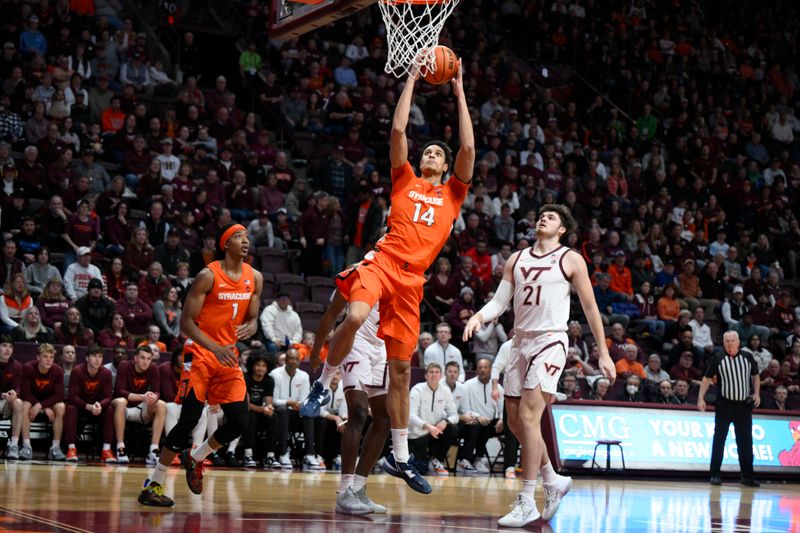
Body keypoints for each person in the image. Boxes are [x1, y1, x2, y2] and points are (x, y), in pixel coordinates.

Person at [301, 58, 475, 495]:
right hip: (383, 261)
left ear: (447, 165)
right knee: (357, 315)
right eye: (427, 152)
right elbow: (398, 132)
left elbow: (469, 151)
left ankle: (400, 458)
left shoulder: (453, 193)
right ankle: (324, 384)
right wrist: (413, 79)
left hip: (412, 281)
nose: (430, 154)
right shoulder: (405, 181)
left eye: (438, 152)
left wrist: (459, 94)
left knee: (401, 371)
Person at [463, 204, 616, 527]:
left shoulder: (570, 258)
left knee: (531, 417)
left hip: (550, 341)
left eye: (550, 217)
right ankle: (553, 479)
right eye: (540, 214)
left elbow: (590, 307)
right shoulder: (516, 259)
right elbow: (500, 302)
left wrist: (603, 352)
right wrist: (479, 315)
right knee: (517, 423)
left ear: (562, 229)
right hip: (519, 342)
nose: (542, 217)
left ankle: (526, 501)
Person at [138, 223, 262, 507]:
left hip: (227, 355)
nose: (245, 241)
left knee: (239, 421)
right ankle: (152, 485)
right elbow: (185, 324)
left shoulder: (255, 277)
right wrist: (215, 347)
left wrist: (252, 326)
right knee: (189, 420)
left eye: (246, 236)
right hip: (201, 353)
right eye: (238, 237)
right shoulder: (208, 276)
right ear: (225, 244)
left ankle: (195, 457)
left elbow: (252, 318)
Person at [308, 289, 390, 515]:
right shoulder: (357, 273)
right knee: (359, 412)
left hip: (382, 346)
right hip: (355, 341)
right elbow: (332, 314)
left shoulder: (399, 277)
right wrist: (317, 350)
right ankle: (344, 492)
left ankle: (359, 489)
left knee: (384, 418)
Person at [698, 331, 760, 487]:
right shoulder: (718, 358)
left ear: (738, 342)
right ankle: (715, 474)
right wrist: (700, 397)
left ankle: (747, 476)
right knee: (719, 440)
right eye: (726, 341)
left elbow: (755, 375)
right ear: (723, 343)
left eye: (732, 341)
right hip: (724, 405)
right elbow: (706, 378)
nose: (729, 344)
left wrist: (757, 393)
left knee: (745, 442)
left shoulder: (748, 357)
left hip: (743, 406)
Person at [270, 349, 319, 469]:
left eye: (297, 359)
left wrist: (300, 405)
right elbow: (274, 401)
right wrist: (288, 402)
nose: (294, 361)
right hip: (279, 413)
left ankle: (310, 454)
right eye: (291, 358)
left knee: (308, 413)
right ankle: (283, 453)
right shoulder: (275, 374)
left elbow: (304, 399)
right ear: (285, 360)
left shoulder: (303, 376)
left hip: (296, 414)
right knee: (283, 410)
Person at [408, 363, 459, 476]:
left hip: (435, 433)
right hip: (418, 434)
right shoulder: (417, 389)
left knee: (453, 428)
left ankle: (436, 459)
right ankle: (423, 461)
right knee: (421, 470)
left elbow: (455, 415)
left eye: (437, 372)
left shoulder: (445, 391)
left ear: (441, 376)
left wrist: (446, 421)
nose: (434, 375)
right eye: (431, 372)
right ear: (426, 376)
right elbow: (410, 415)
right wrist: (427, 426)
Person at [64, 344, 113, 462]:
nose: (97, 359)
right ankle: (71, 449)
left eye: (100, 356)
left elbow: (108, 396)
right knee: (70, 408)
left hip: (97, 409)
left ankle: (106, 450)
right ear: (87, 358)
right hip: (81, 407)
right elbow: (72, 397)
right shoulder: (77, 371)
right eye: (94, 356)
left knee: (111, 409)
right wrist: (88, 406)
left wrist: (99, 405)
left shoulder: (106, 373)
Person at [19, 343, 66, 461]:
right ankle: (26, 445)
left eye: (51, 357)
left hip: (48, 403)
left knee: (61, 407)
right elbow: (25, 393)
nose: (48, 360)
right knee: (24, 405)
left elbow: (59, 395)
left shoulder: (58, 370)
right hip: (31, 401)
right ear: (38, 357)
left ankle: (55, 447)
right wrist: (42, 406)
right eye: (45, 356)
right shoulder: (28, 367)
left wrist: (42, 405)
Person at [460, 357, 504, 474]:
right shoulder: (468, 385)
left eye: (485, 367)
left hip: (491, 423)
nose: (483, 370)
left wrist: (501, 419)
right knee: (478, 425)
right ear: (476, 370)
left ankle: (509, 466)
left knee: (504, 425)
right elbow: (464, 408)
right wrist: (478, 416)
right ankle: (474, 458)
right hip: (473, 420)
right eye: (480, 367)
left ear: (490, 370)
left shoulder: (497, 387)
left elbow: (502, 408)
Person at [241, 351, 276, 468]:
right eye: (258, 365)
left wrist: (269, 409)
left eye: (263, 366)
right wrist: (262, 409)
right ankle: (248, 454)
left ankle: (270, 455)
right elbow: (246, 405)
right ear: (252, 366)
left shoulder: (269, 380)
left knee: (273, 416)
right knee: (250, 414)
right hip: (245, 411)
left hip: (260, 412)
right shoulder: (245, 378)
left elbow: (268, 401)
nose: (260, 368)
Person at [0, 341, 24, 460]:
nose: (7, 349)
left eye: (10, 346)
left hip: (6, 403)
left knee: (18, 402)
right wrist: (2, 395)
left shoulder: (17, 366)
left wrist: (14, 394)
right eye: (4, 345)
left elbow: (18, 387)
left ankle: (14, 444)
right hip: (1, 397)